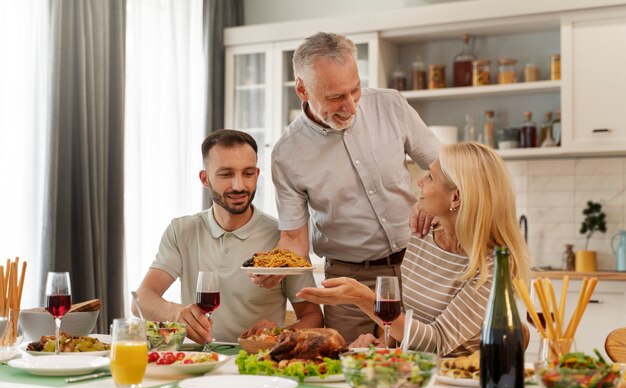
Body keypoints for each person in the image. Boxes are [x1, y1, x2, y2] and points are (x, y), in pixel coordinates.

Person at [254, 32, 441, 343]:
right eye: (335, 97)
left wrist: (427, 201)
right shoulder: (287, 154)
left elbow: (445, 168)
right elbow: (294, 239)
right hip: (347, 280)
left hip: (417, 264)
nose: (351, 106)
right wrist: (276, 267)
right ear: (302, 89)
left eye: (355, 90)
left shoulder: (390, 105)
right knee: (349, 368)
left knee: (422, 359)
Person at [297, 142, 531, 357]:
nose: (420, 182)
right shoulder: (424, 234)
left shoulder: (493, 266)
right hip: (412, 369)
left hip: (456, 378)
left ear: (456, 197)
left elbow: (437, 342)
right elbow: (409, 315)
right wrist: (385, 342)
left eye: (430, 177)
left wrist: (364, 299)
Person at [133, 129, 323, 343]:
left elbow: (313, 316)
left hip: (257, 362)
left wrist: (280, 334)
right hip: (198, 361)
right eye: (226, 174)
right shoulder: (182, 230)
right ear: (205, 179)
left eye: (248, 173)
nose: (239, 185)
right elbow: (141, 299)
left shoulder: (284, 239)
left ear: (257, 175)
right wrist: (176, 313)